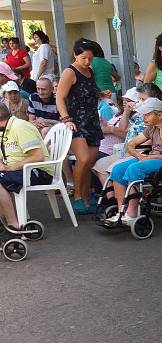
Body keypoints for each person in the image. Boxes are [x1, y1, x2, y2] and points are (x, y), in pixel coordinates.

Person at [104, 98, 162, 226]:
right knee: (118, 169)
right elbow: (131, 144)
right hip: (151, 157)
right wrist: (137, 154)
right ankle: (122, 210)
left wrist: (148, 157)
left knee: (134, 169)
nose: (144, 118)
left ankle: (132, 212)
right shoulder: (152, 127)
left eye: (147, 114)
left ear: (159, 114)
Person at [56, 38, 103, 215]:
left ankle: (85, 197)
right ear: (75, 55)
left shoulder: (90, 71)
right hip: (75, 122)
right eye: (83, 58)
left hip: (92, 121)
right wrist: (66, 119)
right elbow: (60, 97)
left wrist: (101, 93)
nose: (87, 62)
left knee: (89, 162)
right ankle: (76, 196)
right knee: (82, 159)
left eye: (90, 59)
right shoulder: (70, 72)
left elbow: (89, 91)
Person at [0, 103, 52, 233]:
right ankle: (5, 221)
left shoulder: (20, 126)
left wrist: (10, 167)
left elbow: (38, 156)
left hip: (39, 171)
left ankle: (13, 226)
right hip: (20, 169)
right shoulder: (4, 129)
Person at [92, 86, 153, 189]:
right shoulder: (131, 114)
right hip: (125, 150)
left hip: (135, 151)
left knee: (113, 168)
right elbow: (123, 127)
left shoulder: (146, 115)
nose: (125, 102)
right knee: (98, 164)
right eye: (124, 100)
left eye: (129, 100)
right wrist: (126, 111)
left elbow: (123, 130)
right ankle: (111, 198)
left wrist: (110, 129)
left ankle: (120, 198)